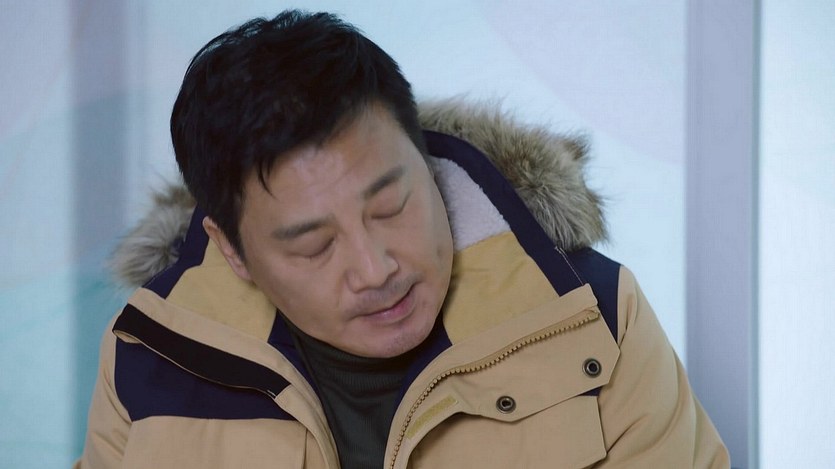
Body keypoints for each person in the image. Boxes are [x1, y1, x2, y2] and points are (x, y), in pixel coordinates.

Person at [76, 9, 729, 469]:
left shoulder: (591, 315)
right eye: (313, 245)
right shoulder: (149, 350)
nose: (375, 268)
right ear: (232, 251)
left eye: (390, 206)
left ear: (428, 161)